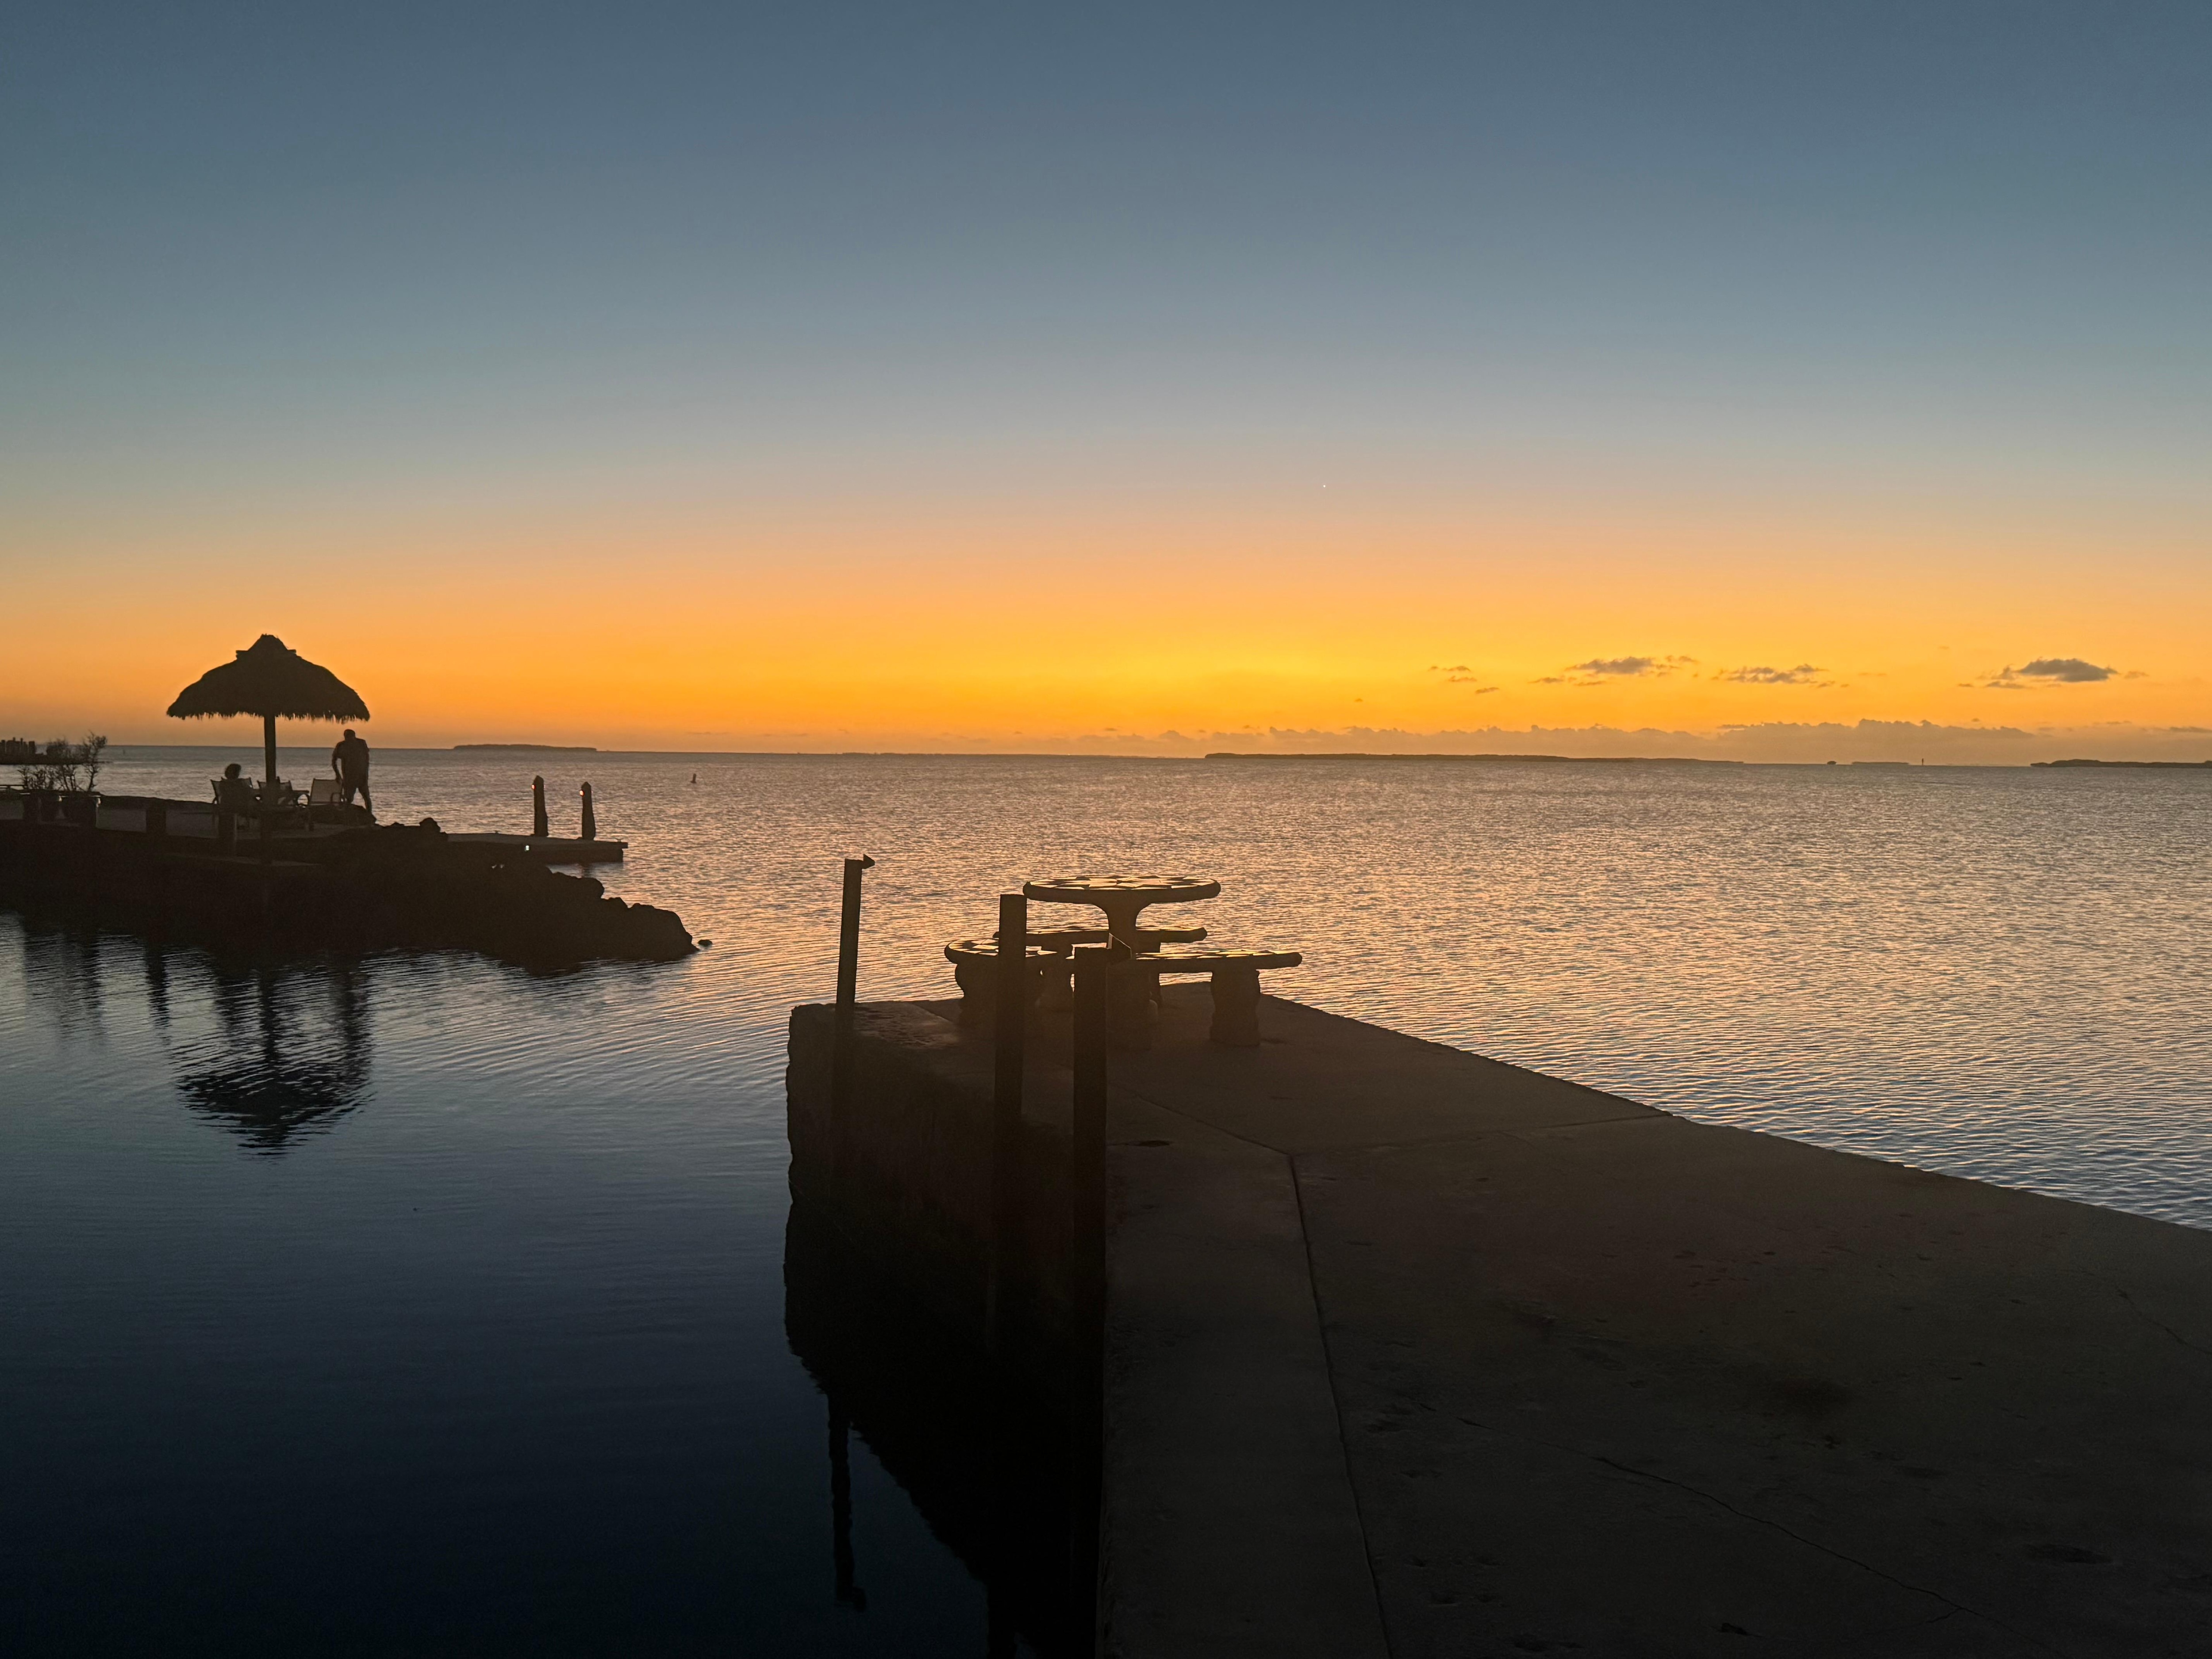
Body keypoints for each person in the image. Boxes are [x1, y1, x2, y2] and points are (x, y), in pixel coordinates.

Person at [331, 728, 374, 817]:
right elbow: (334, 760)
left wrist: (366, 773)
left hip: (362, 776)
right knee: (349, 799)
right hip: (349, 777)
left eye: (350, 737)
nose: (349, 739)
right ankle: (346, 817)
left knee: (366, 797)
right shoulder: (342, 746)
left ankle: (369, 816)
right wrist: (338, 775)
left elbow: (367, 759)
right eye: (347, 737)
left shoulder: (361, 743)